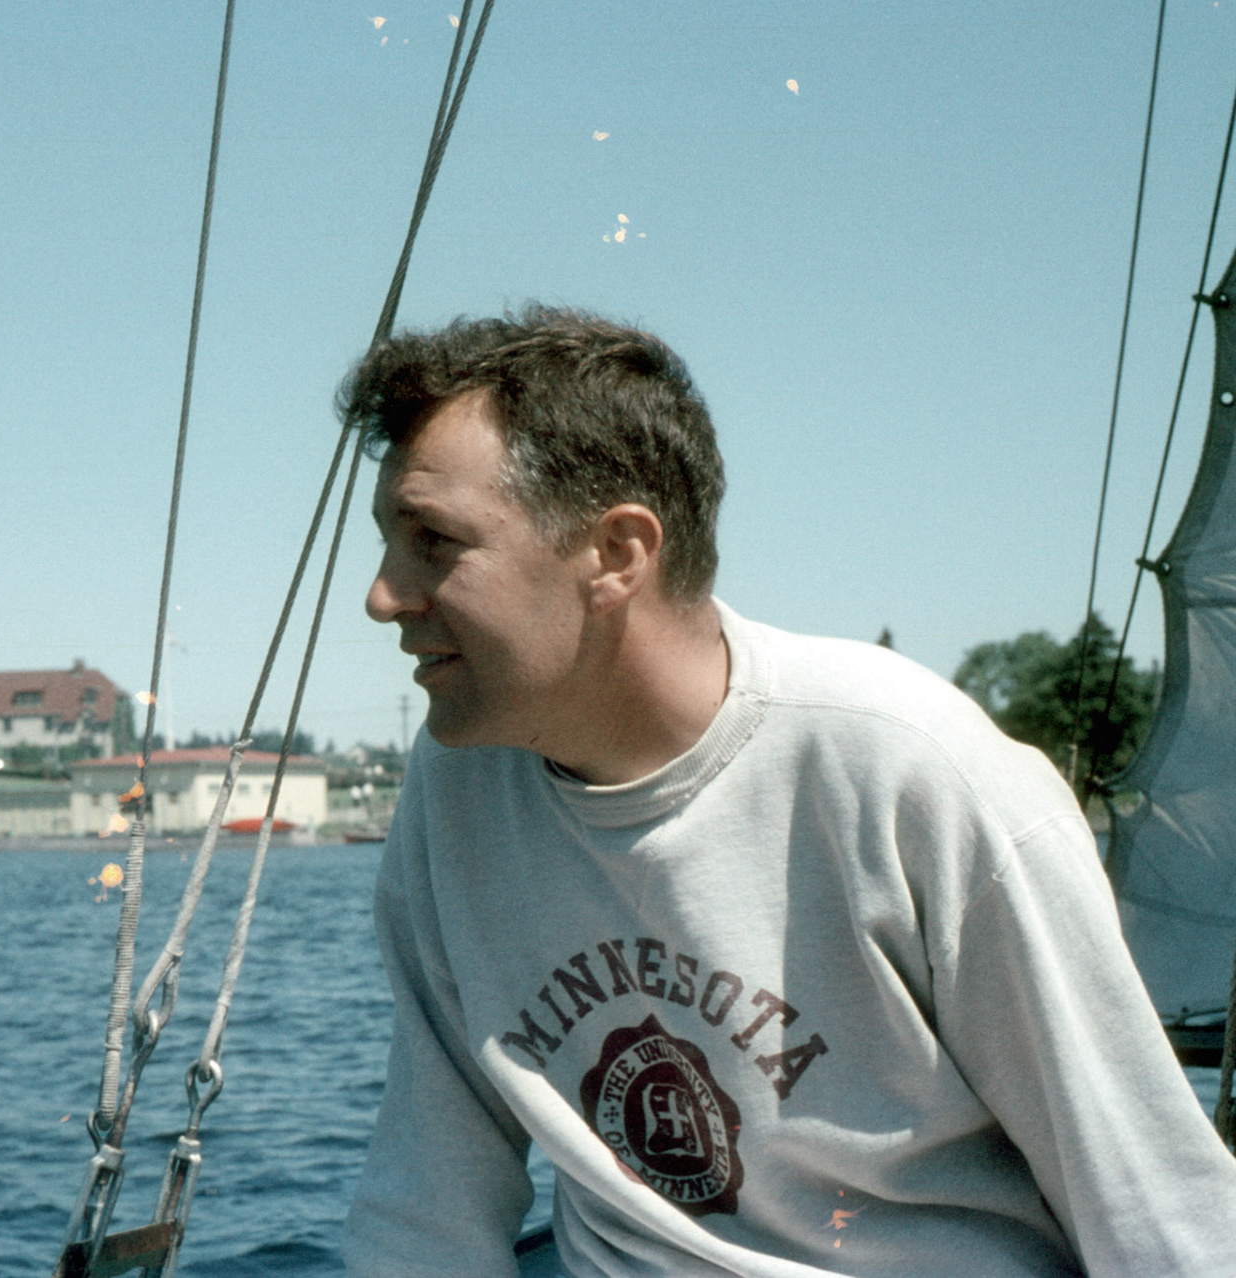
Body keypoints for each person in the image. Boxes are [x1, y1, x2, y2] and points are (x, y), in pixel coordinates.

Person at [338, 306, 1236, 1276]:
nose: (383, 594)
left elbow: (1162, 1224)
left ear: (617, 554)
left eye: (432, 541)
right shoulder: (459, 781)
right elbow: (427, 1206)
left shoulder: (913, 778)